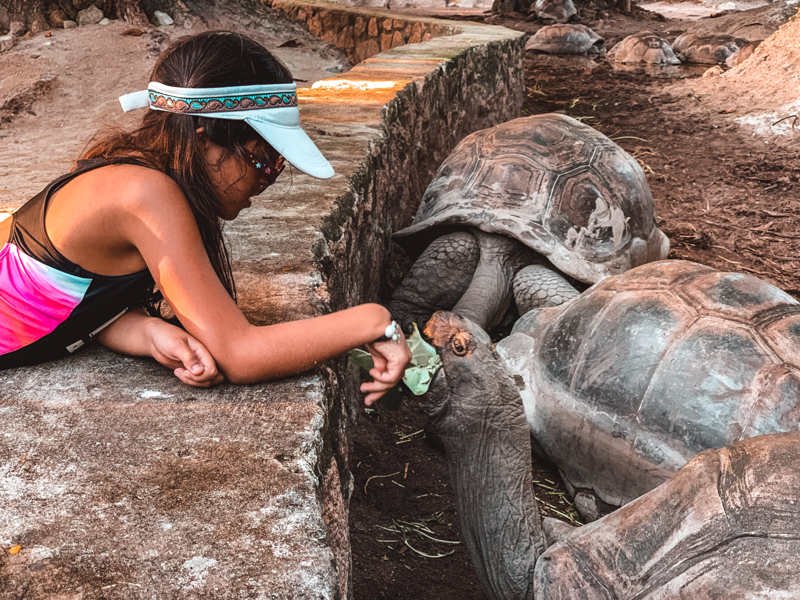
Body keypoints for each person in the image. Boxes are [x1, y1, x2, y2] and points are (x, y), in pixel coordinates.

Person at [0, 31, 411, 404]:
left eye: (278, 166)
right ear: (204, 138)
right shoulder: (145, 193)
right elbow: (241, 354)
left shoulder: (138, 176)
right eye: (261, 162)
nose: (266, 181)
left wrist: (147, 333)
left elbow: (65, 292)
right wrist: (374, 321)